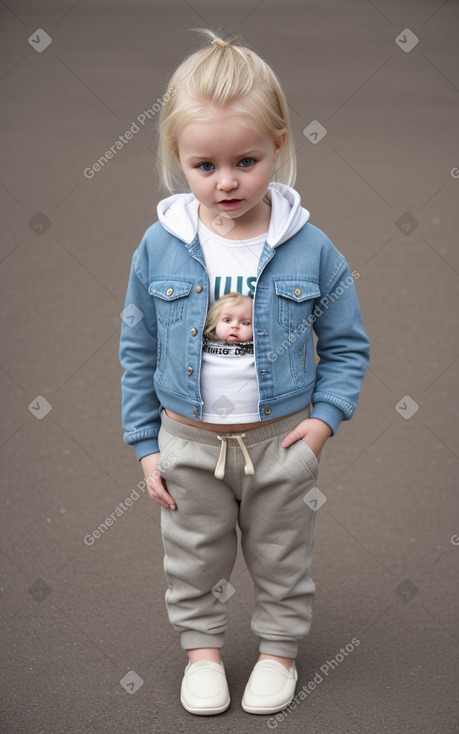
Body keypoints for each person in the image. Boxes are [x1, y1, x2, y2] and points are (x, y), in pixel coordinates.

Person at [119, 29, 370, 717]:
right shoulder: (160, 246)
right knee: (191, 559)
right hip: (186, 441)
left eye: (246, 160)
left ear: (279, 147)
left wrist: (320, 424)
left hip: (279, 442)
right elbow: (136, 348)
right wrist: (146, 446)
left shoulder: (312, 250)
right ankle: (202, 654)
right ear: (177, 158)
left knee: (282, 558)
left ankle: (277, 653)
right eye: (204, 165)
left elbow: (346, 347)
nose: (225, 181)